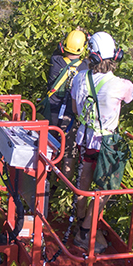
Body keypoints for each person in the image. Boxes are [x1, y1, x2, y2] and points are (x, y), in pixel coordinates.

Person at [70, 31, 133, 251]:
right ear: (115, 56)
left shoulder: (79, 78)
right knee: (106, 188)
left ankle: (81, 220)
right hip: (107, 142)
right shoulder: (121, 84)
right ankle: (87, 230)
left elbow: (74, 109)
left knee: (84, 181)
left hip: (85, 138)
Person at [46, 29, 88, 181]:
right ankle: (62, 186)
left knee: (47, 148)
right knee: (68, 153)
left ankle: (45, 181)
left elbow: (58, 50)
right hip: (70, 117)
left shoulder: (55, 61)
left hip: (51, 112)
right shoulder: (85, 68)